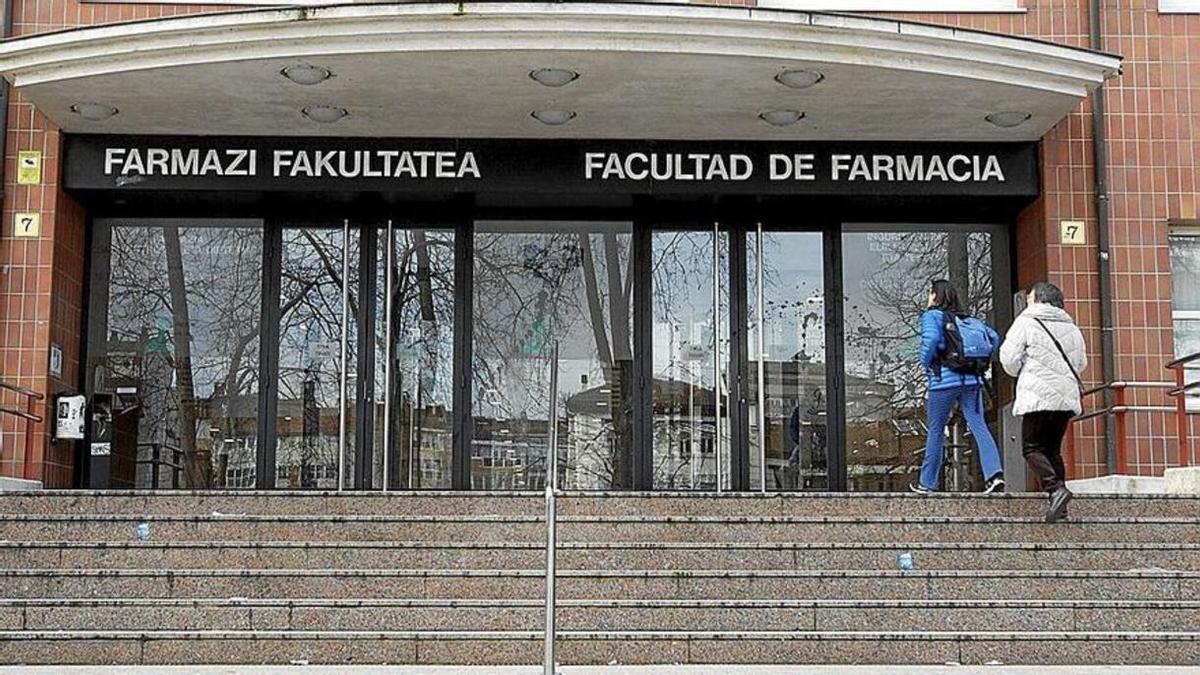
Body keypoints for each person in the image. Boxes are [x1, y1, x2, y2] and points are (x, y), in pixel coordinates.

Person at [1000, 281, 1087, 523]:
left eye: (1030, 298)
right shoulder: (1072, 327)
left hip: (1037, 396)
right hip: (1065, 398)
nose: (1027, 302)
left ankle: (1055, 490)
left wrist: (1023, 370)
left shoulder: (1027, 321)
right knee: (1052, 450)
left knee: (1031, 448)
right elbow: (1081, 364)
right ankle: (1060, 506)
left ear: (1039, 298)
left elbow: (1008, 359)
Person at [910, 279, 1005, 495]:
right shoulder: (970, 320)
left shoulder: (932, 316)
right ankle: (995, 475)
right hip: (971, 380)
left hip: (943, 381)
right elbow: (994, 338)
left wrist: (926, 361)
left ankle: (928, 483)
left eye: (929, 292)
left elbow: (932, 339)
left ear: (935, 295)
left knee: (935, 429)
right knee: (979, 425)